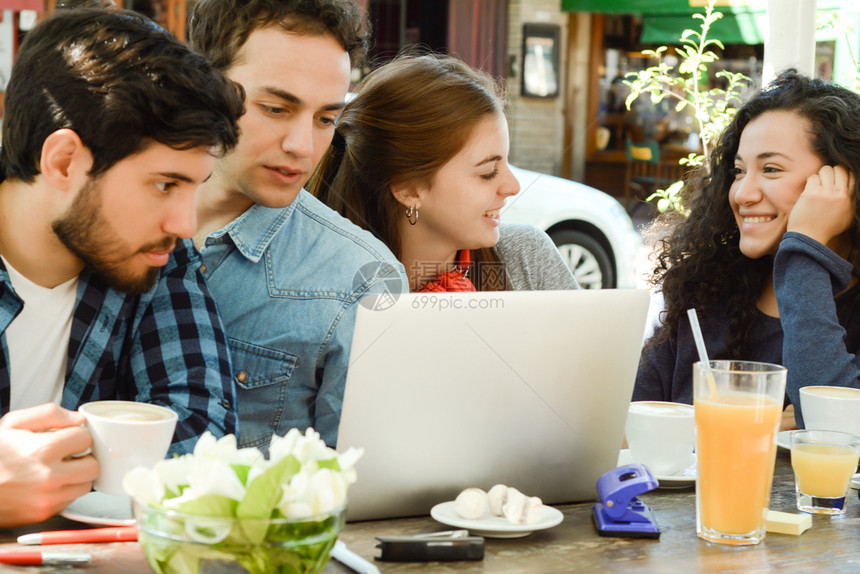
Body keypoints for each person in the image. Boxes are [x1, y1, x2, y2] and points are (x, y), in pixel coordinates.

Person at [0, 8, 243, 526]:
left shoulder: (156, 254)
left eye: (196, 186)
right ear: (64, 162)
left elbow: (205, 435)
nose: (185, 222)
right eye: (164, 184)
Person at [188, 0, 408, 451]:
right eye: (275, 108)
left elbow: (359, 488)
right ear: (202, 86)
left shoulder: (360, 278)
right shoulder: (106, 223)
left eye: (326, 118)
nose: (303, 146)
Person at [633, 70, 860, 428]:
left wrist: (804, 252)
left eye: (771, 169)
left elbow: (835, 431)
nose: (742, 194)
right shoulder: (701, 287)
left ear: (842, 181)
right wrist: (758, 421)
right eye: (739, 171)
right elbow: (631, 426)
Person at [310, 54, 578, 292]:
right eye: (488, 172)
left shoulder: (526, 258)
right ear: (409, 189)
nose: (513, 186)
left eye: (507, 163)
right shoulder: (322, 289)